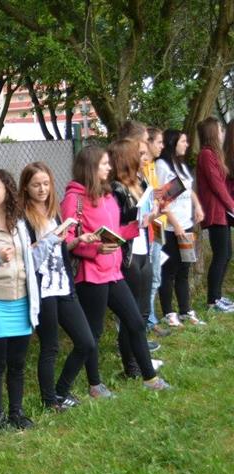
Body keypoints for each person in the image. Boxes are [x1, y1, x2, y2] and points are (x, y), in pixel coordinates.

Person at [62, 146, 170, 393]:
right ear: (90, 167)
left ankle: (150, 379)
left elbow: (116, 231)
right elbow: (67, 241)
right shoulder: (74, 199)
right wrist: (95, 249)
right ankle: (95, 385)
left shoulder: (108, 196)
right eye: (104, 164)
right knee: (94, 333)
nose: (109, 167)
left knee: (136, 323)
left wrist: (139, 225)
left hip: (114, 272)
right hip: (90, 275)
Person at [0, 169, 59, 430]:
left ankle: (17, 413)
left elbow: (29, 262)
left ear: (8, 191)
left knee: (17, 364)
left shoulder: (19, 223)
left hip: (22, 302)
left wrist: (49, 243)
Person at [19, 162, 98, 411]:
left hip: (64, 285)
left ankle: (62, 391)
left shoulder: (55, 212)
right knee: (50, 347)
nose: (42, 189)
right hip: (43, 289)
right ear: (26, 187)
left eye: (46, 184)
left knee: (86, 342)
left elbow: (61, 248)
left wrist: (78, 240)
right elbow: (27, 255)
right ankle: (50, 401)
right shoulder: (23, 217)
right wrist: (50, 239)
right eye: (36, 185)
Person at [108, 139, 163, 377]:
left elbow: (145, 211)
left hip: (144, 249)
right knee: (130, 316)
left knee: (142, 312)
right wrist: (139, 215)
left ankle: (141, 359)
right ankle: (131, 366)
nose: (144, 158)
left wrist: (154, 211)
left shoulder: (141, 181)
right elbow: (116, 222)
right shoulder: (116, 188)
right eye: (138, 154)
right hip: (128, 254)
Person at [156, 129, 206, 326]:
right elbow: (161, 200)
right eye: (183, 141)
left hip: (187, 224)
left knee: (185, 268)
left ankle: (186, 310)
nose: (186, 144)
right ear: (173, 142)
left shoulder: (182, 165)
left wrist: (198, 206)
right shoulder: (162, 165)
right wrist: (175, 225)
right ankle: (169, 312)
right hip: (171, 228)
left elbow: (188, 189)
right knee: (169, 270)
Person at [196, 117, 234, 312]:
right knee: (221, 255)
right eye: (220, 129)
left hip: (222, 211)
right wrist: (232, 206)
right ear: (212, 132)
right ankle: (212, 300)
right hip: (215, 212)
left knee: (226, 253)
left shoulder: (214, 154)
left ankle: (217, 296)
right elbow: (217, 185)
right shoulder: (206, 154)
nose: (222, 132)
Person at [144, 127, 172, 337]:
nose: (162, 146)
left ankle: (150, 318)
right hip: (150, 226)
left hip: (158, 225)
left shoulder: (153, 166)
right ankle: (148, 319)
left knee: (156, 276)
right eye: (159, 142)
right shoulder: (145, 166)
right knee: (152, 277)